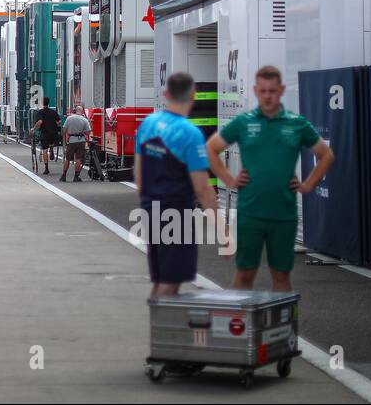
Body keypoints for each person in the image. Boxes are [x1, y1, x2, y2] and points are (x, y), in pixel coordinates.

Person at [206, 65, 334, 292]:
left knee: (281, 277)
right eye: (263, 91)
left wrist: (307, 185)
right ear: (255, 90)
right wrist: (229, 179)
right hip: (250, 214)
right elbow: (211, 148)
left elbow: (326, 155)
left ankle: (282, 329)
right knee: (244, 275)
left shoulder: (296, 124)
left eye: (272, 91)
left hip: (283, 215)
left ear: (281, 90)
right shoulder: (244, 122)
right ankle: (240, 326)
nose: (267, 96)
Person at [135, 72, 221, 297]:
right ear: (193, 95)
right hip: (176, 211)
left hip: (150, 208)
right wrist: (222, 229)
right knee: (171, 283)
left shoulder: (148, 124)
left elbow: (139, 174)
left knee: (162, 278)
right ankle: (163, 331)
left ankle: (159, 328)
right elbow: (202, 188)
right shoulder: (190, 133)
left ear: (166, 94)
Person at [61, 104, 92, 183]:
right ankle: (76, 176)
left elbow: (64, 131)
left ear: (75, 111)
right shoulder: (84, 120)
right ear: (82, 111)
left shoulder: (69, 118)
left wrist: (64, 143)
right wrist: (83, 132)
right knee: (78, 159)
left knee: (67, 158)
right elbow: (88, 132)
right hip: (81, 141)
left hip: (71, 141)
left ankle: (64, 176)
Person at [31, 97, 60, 175]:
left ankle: (46, 168)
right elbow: (59, 122)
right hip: (54, 133)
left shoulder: (40, 112)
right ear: (48, 102)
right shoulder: (53, 112)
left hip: (45, 133)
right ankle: (51, 148)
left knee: (44, 150)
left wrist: (34, 128)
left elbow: (40, 122)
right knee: (51, 143)